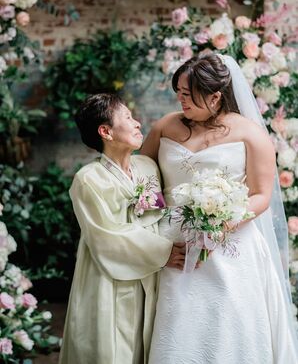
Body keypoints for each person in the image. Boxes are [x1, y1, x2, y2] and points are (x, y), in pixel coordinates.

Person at [141, 53, 298, 363]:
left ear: (215, 97)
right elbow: (143, 179)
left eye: (188, 94)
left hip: (230, 245)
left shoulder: (250, 133)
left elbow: (261, 195)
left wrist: (219, 221)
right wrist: (152, 227)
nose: (180, 99)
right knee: (176, 323)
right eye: (179, 92)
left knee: (228, 324)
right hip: (174, 246)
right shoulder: (164, 127)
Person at [59, 93, 186, 364]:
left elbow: (161, 214)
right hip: (108, 278)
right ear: (105, 131)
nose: (138, 123)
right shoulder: (88, 180)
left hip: (151, 273)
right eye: (128, 118)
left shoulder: (148, 167)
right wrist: (164, 251)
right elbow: (106, 235)